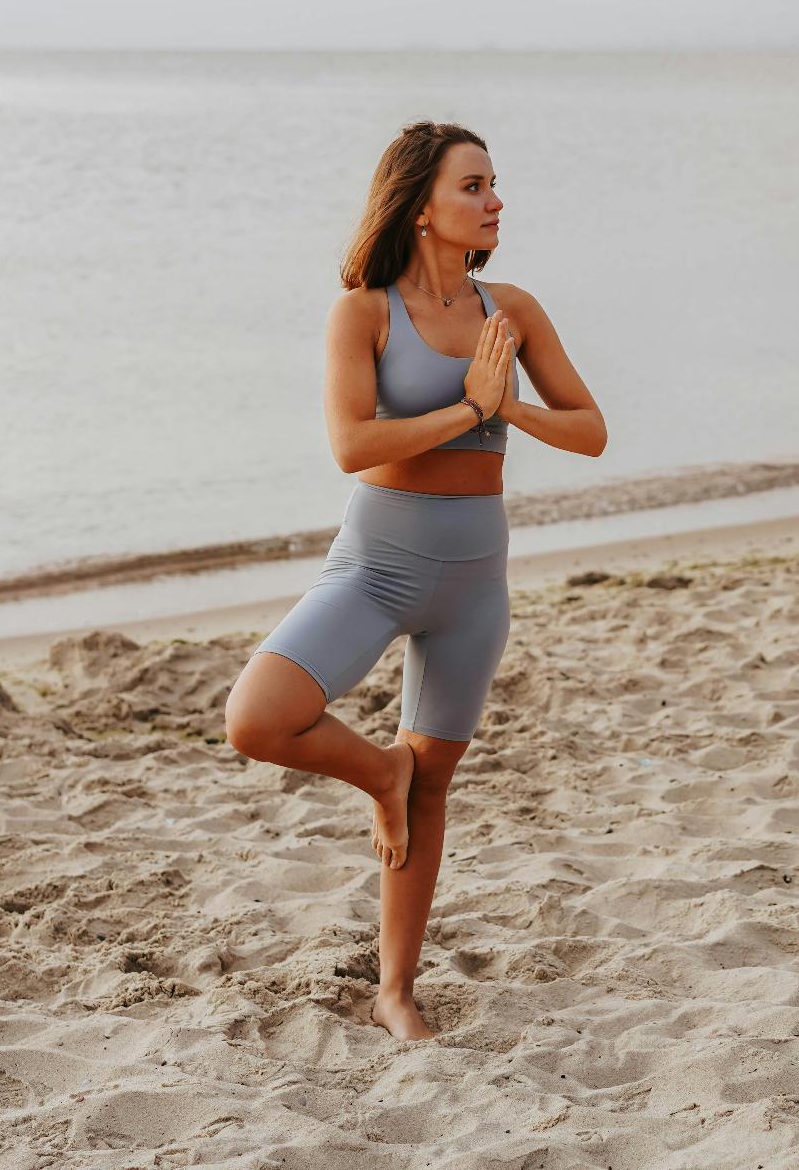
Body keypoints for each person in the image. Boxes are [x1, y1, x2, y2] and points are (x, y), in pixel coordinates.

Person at [223, 120, 606, 1040]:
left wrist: (506, 401)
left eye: (494, 184)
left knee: (435, 789)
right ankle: (377, 771)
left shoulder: (510, 312)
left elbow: (589, 429)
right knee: (259, 718)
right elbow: (353, 447)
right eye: (473, 186)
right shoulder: (364, 311)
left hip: (475, 582)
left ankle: (396, 990)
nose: (495, 201)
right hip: (377, 568)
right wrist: (466, 408)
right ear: (420, 204)